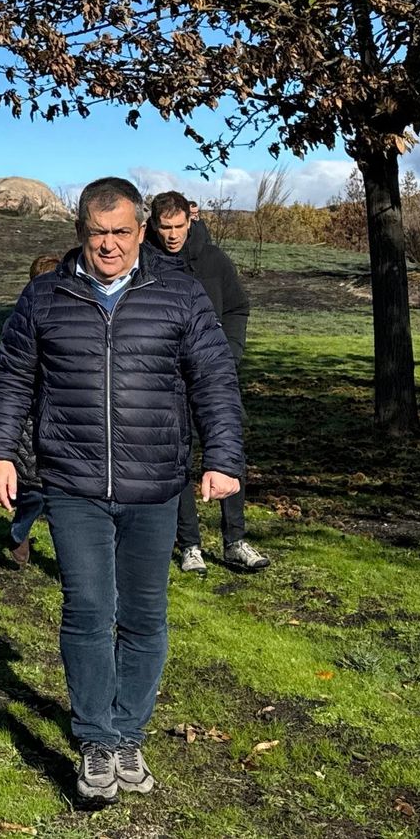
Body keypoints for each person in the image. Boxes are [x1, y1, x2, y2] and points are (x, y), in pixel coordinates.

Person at [0, 178, 243, 802]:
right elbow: (13, 377)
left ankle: (129, 733)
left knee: (146, 617)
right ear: (80, 233)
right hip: (72, 483)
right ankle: (96, 740)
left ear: (141, 230)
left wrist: (224, 456)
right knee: (90, 612)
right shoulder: (45, 296)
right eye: (98, 233)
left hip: (155, 483)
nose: (110, 245)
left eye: (122, 232)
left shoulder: (180, 294)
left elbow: (214, 379)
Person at [145, 191, 268, 575]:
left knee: (227, 451)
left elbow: (237, 307)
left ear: (191, 221)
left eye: (179, 226)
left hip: (213, 372)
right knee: (179, 456)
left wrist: (229, 353)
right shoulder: (146, 263)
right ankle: (190, 545)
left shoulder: (214, 260)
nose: (172, 235)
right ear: (153, 225)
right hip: (168, 377)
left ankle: (235, 540)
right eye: (164, 227)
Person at [8, 252, 63, 567]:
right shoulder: (22, 321)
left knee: (63, 498)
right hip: (31, 420)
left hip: (67, 419)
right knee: (34, 492)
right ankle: (19, 531)